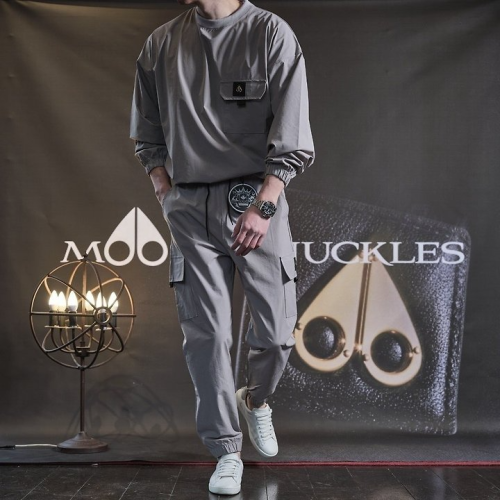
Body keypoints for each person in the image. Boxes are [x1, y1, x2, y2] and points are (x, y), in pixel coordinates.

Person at [130, 0, 314, 494]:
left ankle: (255, 401)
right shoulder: (161, 43)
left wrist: (265, 204)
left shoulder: (270, 33)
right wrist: (164, 190)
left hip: (257, 198)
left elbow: (292, 131)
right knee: (207, 336)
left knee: (277, 334)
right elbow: (147, 129)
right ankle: (226, 451)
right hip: (190, 206)